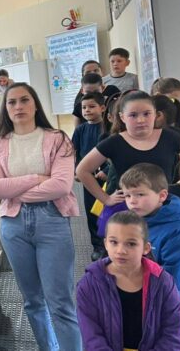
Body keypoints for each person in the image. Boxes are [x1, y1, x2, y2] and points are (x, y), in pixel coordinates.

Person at [0, 82, 81, 350]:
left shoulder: (58, 138)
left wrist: (15, 188)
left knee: (60, 302)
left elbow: (61, 186)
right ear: (5, 109)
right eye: (11, 102)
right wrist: (37, 179)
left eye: (24, 100)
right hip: (14, 226)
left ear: (35, 104)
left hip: (52, 221)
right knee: (32, 301)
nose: (18, 106)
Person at [77, 91, 180, 238]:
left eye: (146, 114)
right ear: (122, 117)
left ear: (156, 115)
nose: (140, 120)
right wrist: (105, 199)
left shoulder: (170, 137)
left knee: (165, 253)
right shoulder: (114, 142)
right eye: (133, 115)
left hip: (162, 208)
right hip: (128, 209)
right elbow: (82, 170)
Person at [77, 210, 180, 350]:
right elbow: (91, 336)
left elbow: (175, 331)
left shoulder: (163, 282)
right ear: (105, 244)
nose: (120, 250)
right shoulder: (89, 284)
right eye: (114, 242)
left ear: (146, 248)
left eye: (131, 244)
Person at [120, 163, 180, 327]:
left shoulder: (178, 230)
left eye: (140, 195)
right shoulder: (133, 219)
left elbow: (179, 283)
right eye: (128, 195)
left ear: (162, 195)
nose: (132, 202)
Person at [71, 92, 107, 259]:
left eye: (92, 106)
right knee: (92, 212)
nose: (87, 110)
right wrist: (76, 169)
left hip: (107, 177)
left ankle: (110, 243)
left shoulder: (108, 128)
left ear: (103, 108)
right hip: (88, 177)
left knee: (108, 211)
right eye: (84, 107)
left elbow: (113, 153)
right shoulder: (80, 129)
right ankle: (98, 246)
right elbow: (73, 152)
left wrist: (106, 171)